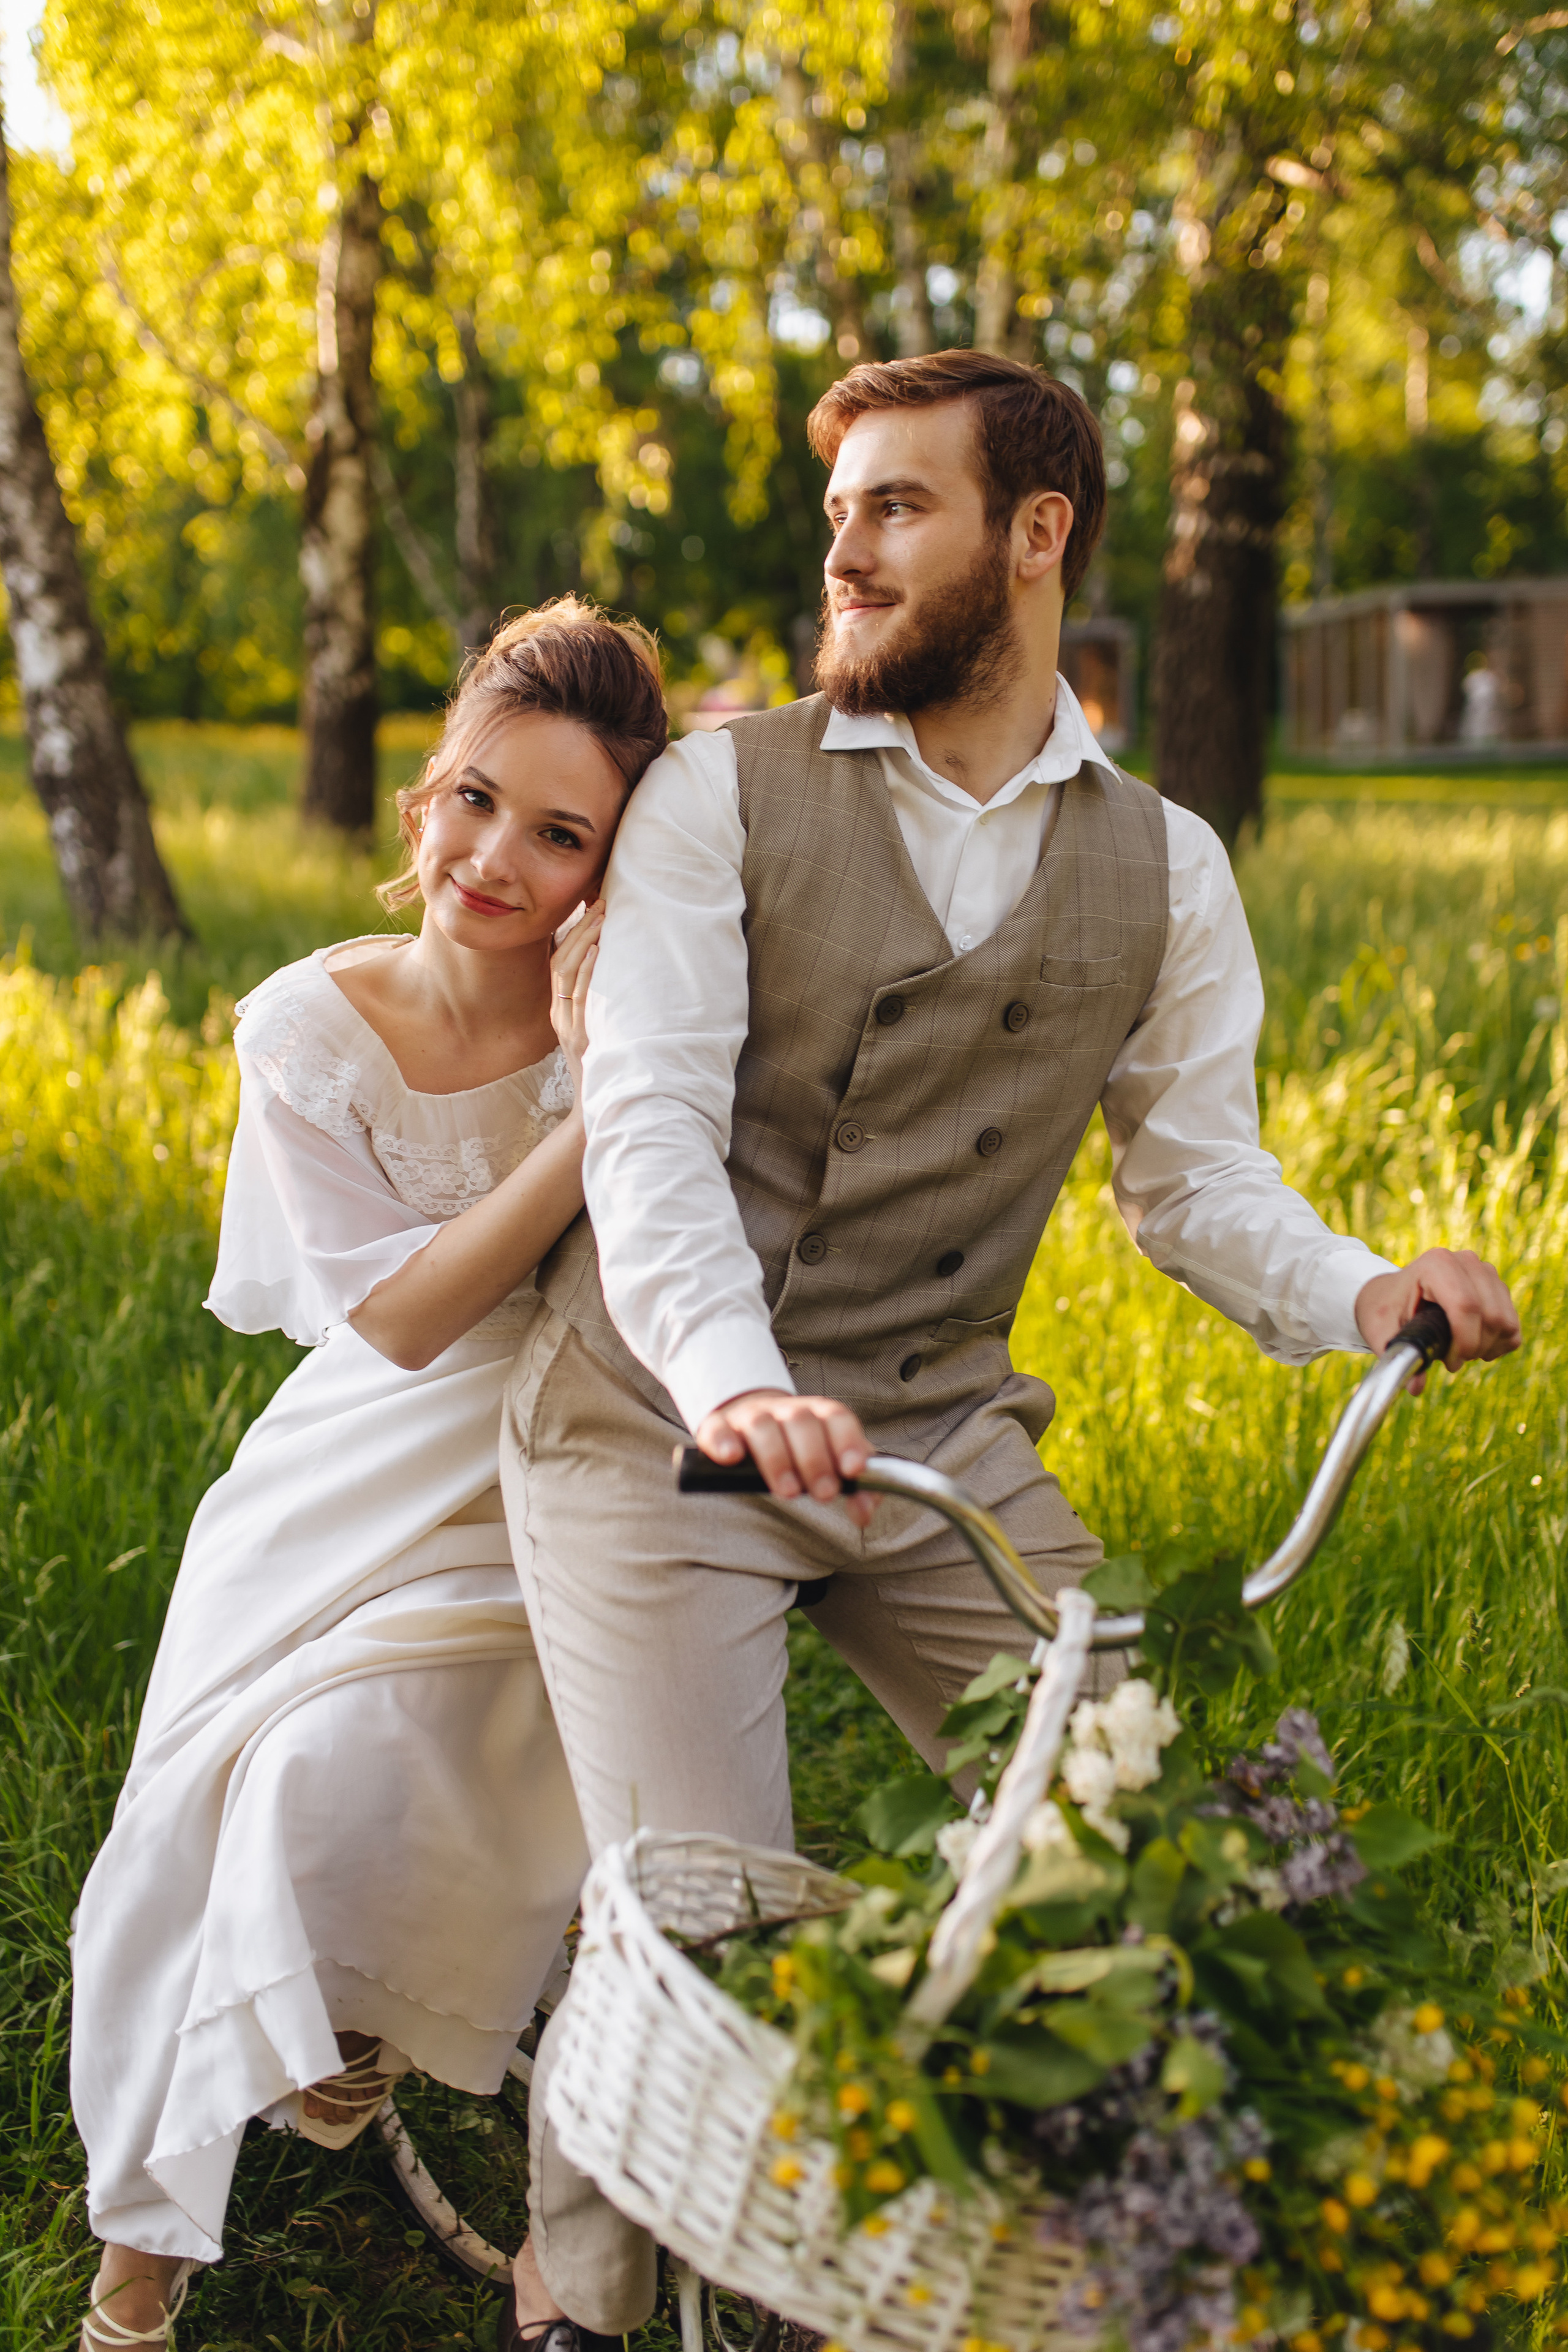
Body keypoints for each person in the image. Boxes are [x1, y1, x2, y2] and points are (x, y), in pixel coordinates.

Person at [496, 353, 1522, 2351]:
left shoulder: (1169, 866)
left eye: (897, 508)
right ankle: (585, 2302)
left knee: (1152, 1842)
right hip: (659, 1428)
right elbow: (646, 1132)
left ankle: (1046, 2261)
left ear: (1036, 538)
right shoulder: (723, 790)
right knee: (697, 1919)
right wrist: (731, 1381)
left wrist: (1368, 1289)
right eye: (840, 515)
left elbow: (1197, 1182)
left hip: (936, 1439)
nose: (844, 552)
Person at [70, 599, 669, 2351]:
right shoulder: (304, 1024)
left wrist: (620, 1057)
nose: (497, 858)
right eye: (477, 800)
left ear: (605, 870)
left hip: (566, 1460)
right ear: (426, 794)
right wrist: (591, 1120)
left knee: (473, 1777)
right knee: (263, 1790)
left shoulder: (632, 1015)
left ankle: (362, 2044)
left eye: (561, 834)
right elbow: (399, 1321)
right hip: (362, 1473)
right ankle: (138, 2270)